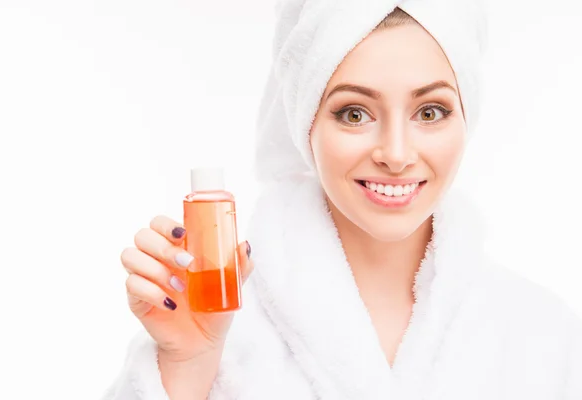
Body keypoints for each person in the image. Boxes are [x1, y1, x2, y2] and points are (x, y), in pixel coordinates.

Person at [103, 1, 582, 399]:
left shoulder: (541, 334)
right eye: (354, 113)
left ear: (466, 119)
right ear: (305, 123)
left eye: (430, 111)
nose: (395, 154)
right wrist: (188, 367)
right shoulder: (221, 328)